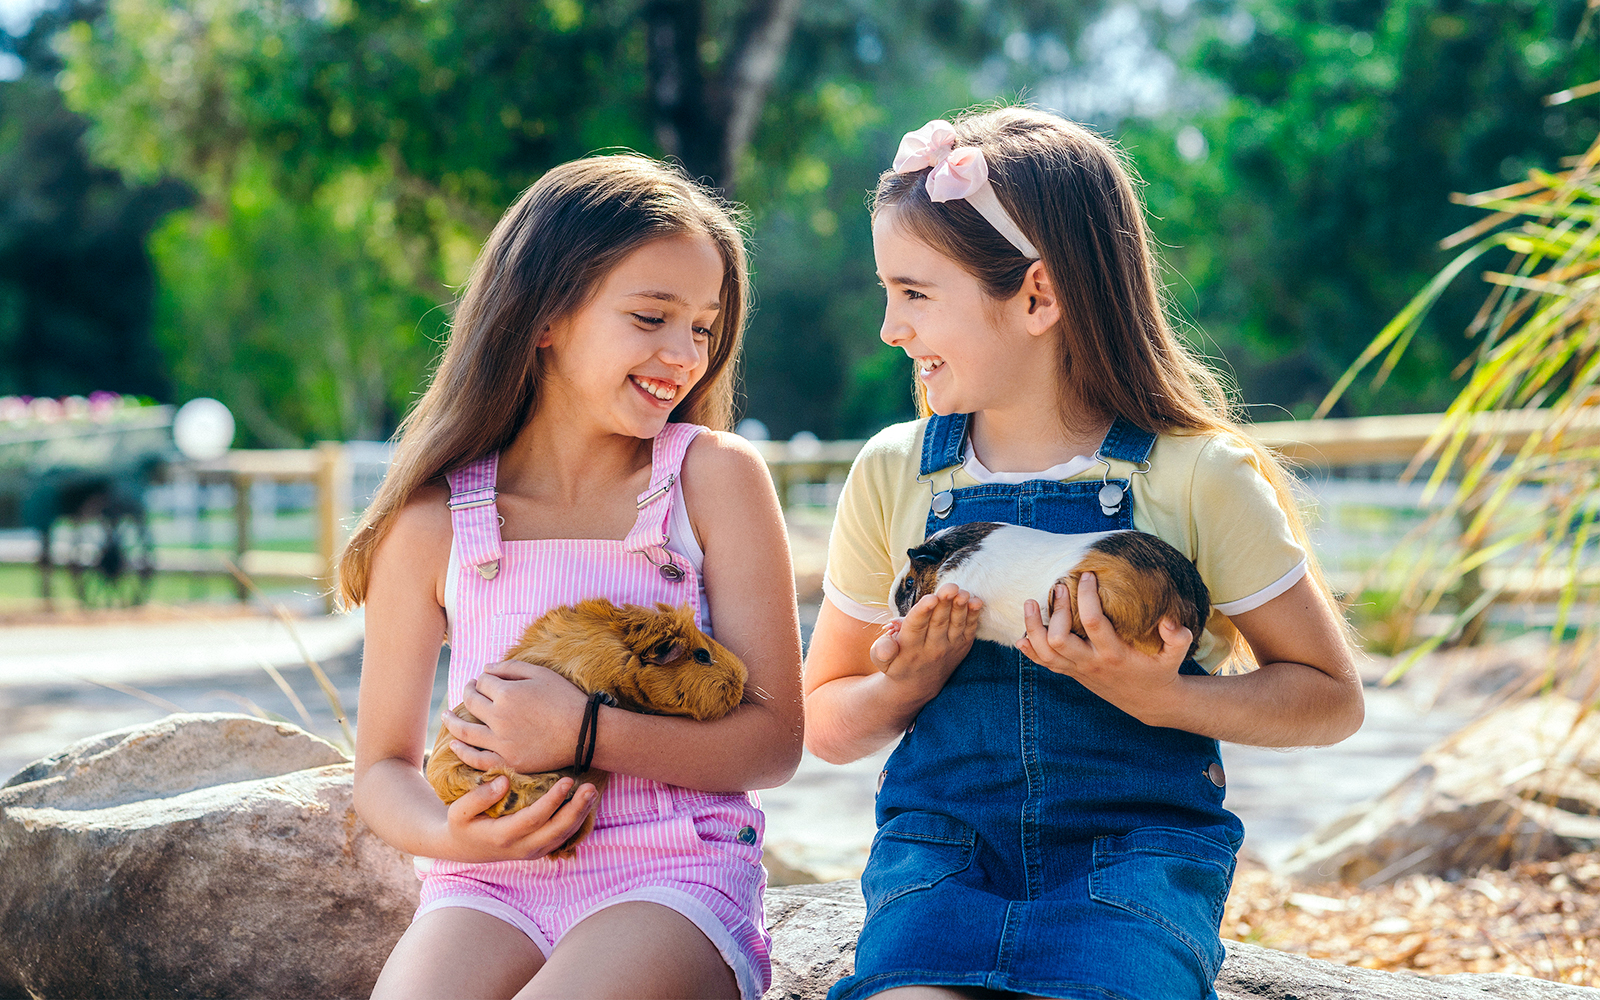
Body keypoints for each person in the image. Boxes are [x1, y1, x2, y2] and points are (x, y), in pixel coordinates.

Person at [803, 107, 1364, 1000]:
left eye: (913, 293)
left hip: (1135, 862)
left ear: (1037, 296)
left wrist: (1167, 696)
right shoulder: (893, 472)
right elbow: (827, 722)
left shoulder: (1194, 476)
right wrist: (904, 684)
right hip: (944, 857)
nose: (889, 328)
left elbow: (1331, 701)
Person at [340, 155, 804, 1000]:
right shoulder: (434, 522)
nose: (683, 354)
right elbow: (381, 768)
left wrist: (583, 734)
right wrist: (452, 835)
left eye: (702, 327)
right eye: (651, 317)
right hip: (487, 885)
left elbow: (773, 744)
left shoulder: (713, 480)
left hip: (670, 877)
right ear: (545, 316)